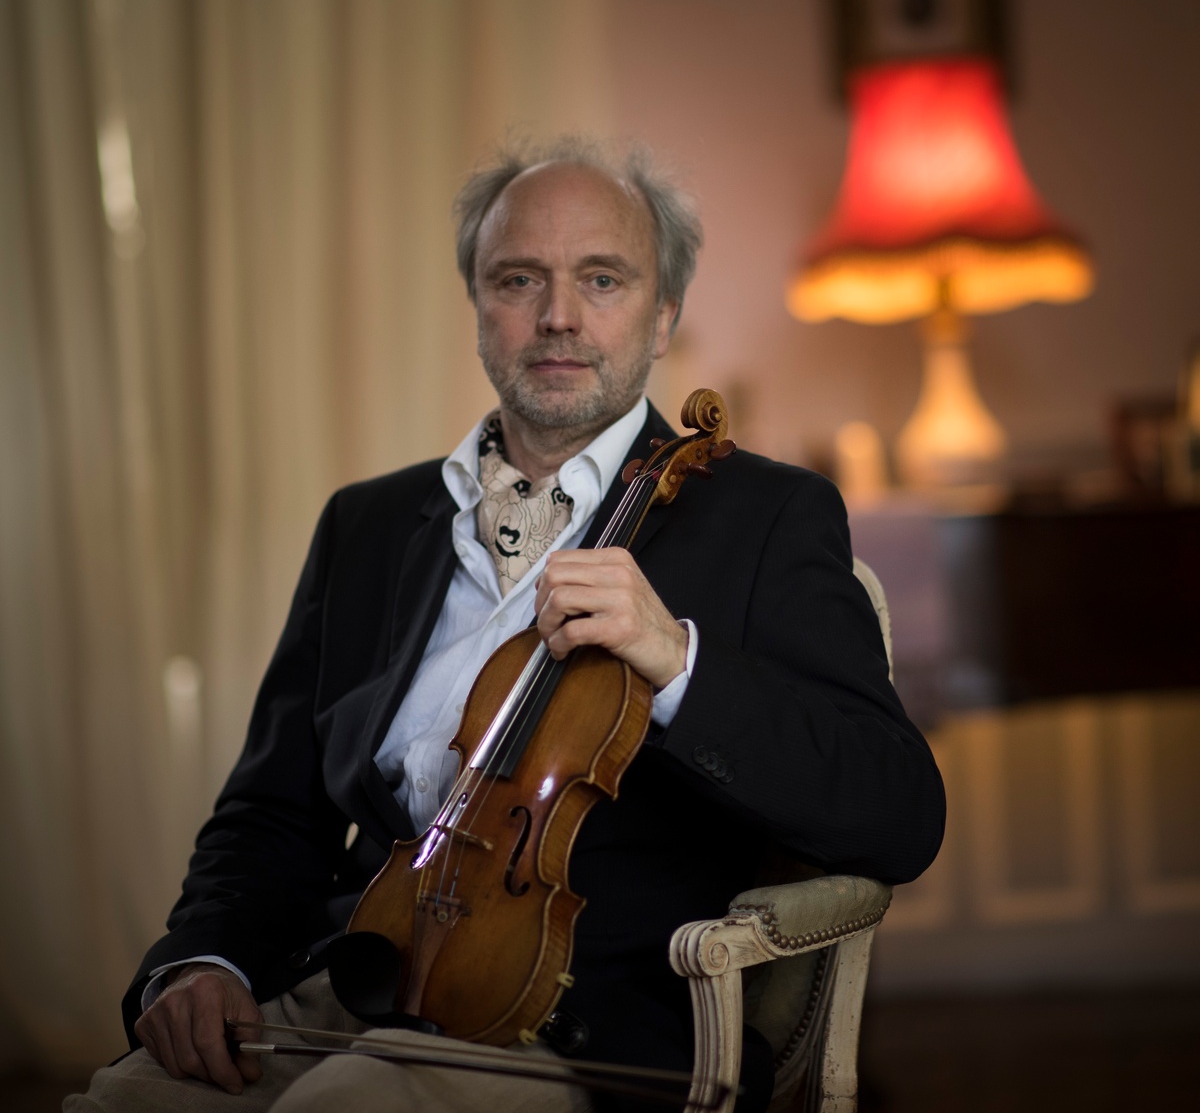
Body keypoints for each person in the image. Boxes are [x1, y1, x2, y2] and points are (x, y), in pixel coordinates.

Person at [68, 139, 945, 1113]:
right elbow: (271, 812)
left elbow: (896, 812)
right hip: (345, 987)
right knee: (123, 1104)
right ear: (479, 309)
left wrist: (677, 662)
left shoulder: (766, 516)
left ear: (664, 319)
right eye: (518, 279)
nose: (558, 317)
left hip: (575, 1027)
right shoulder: (365, 527)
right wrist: (204, 958)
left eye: (601, 280)